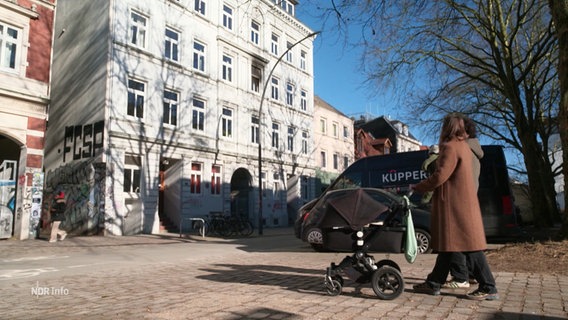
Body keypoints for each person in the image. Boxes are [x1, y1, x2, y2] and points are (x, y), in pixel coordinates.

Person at [411, 113, 498, 300]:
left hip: (454, 205)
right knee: (448, 246)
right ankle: (434, 283)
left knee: (470, 246)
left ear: (447, 128)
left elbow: (440, 176)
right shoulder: (465, 147)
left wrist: (418, 187)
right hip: (463, 202)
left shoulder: (450, 148)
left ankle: (488, 286)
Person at [444, 116, 484, 288]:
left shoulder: (461, 149)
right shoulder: (473, 149)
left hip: (459, 200)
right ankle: (472, 275)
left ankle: (462, 278)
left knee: (455, 239)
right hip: (470, 198)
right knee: (466, 240)